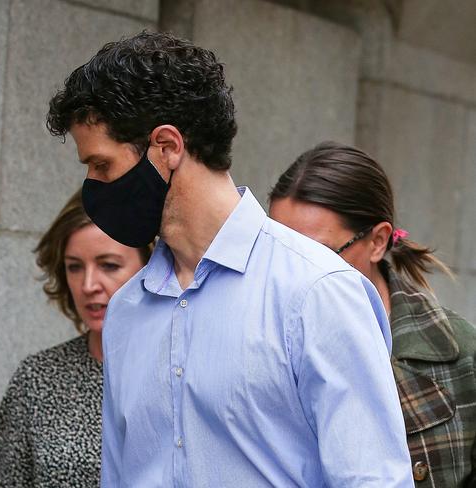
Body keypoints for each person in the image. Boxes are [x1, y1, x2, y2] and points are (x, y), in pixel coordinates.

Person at [47, 31, 413, 486]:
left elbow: (372, 479)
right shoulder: (126, 311)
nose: (94, 186)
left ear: (166, 147)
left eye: (102, 166)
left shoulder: (318, 292)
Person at [269, 141, 476, 487]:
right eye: (278, 252)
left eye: (316, 255)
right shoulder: (252, 335)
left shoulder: (460, 358)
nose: (293, 273)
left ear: (378, 241)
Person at [0, 190, 151, 487]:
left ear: (149, 266)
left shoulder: (182, 371)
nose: (88, 285)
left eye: (109, 265)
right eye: (75, 266)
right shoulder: (37, 378)